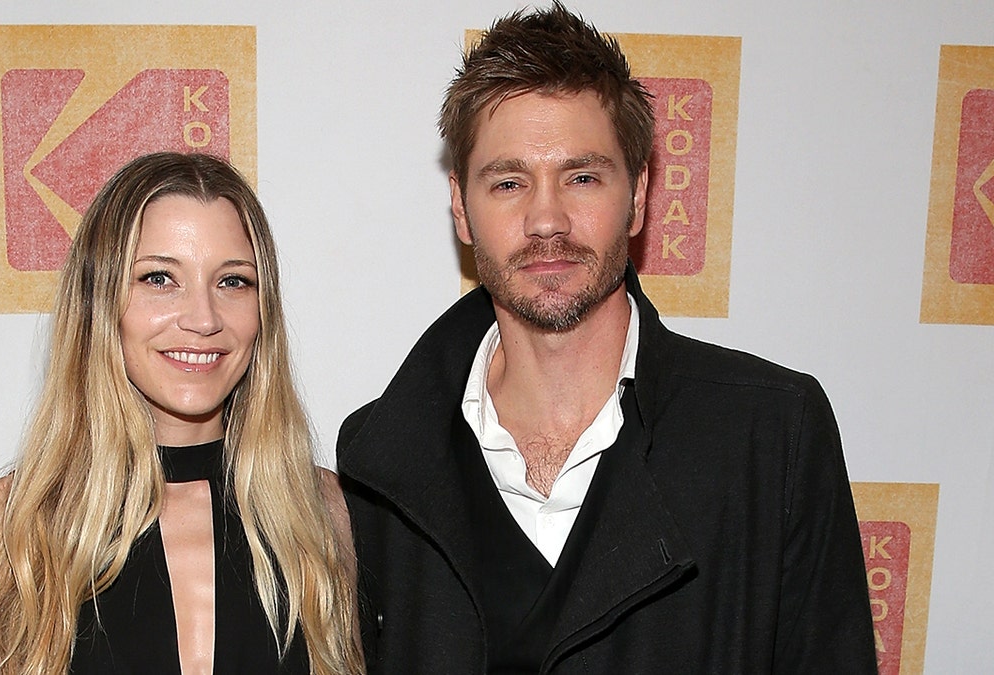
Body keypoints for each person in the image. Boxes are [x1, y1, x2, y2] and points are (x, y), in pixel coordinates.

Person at [336, 3, 877, 673]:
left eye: (582, 177)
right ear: (460, 207)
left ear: (640, 193)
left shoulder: (770, 435)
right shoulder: (380, 462)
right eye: (508, 182)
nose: (545, 219)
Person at [0, 152, 363, 674]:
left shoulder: (321, 513)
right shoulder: (6, 530)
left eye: (232, 281)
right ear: (100, 301)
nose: (203, 318)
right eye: (159, 278)